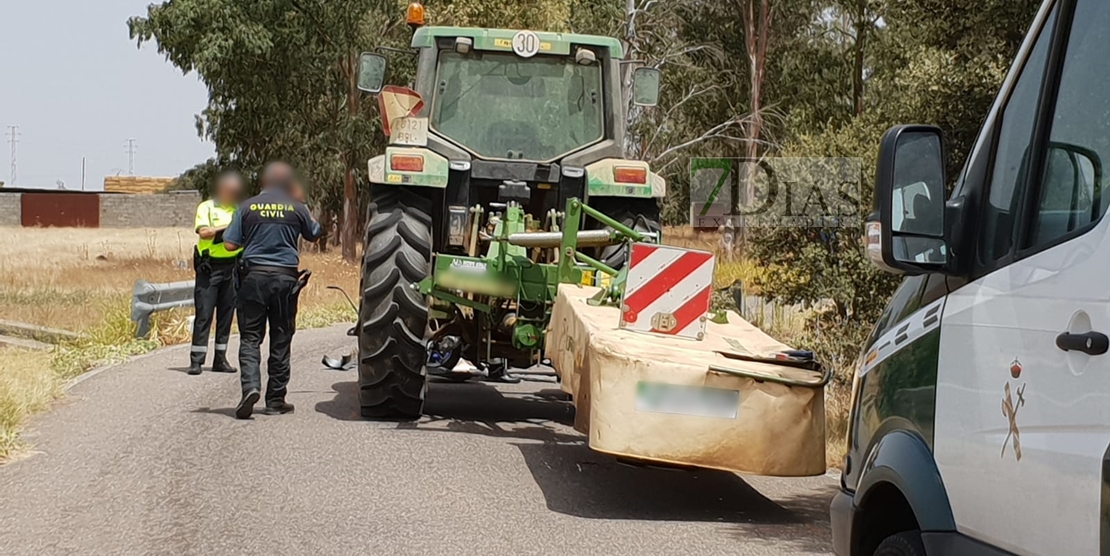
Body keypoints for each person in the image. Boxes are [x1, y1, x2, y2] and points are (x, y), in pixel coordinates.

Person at [223, 162, 322, 419]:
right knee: (281, 338)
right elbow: (315, 233)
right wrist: (304, 206)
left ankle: (251, 387)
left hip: (253, 278)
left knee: (250, 338)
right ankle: (275, 400)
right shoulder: (296, 207)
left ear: (263, 182)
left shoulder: (246, 207)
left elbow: (231, 245)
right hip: (285, 280)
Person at [187, 171, 244, 376]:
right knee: (204, 313)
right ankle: (196, 361)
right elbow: (204, 232)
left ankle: (220, 358)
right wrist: (228, 227)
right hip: (209, 268)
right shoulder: (207, 208)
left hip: (232, 267)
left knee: (226, 315)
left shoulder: (237, 209)